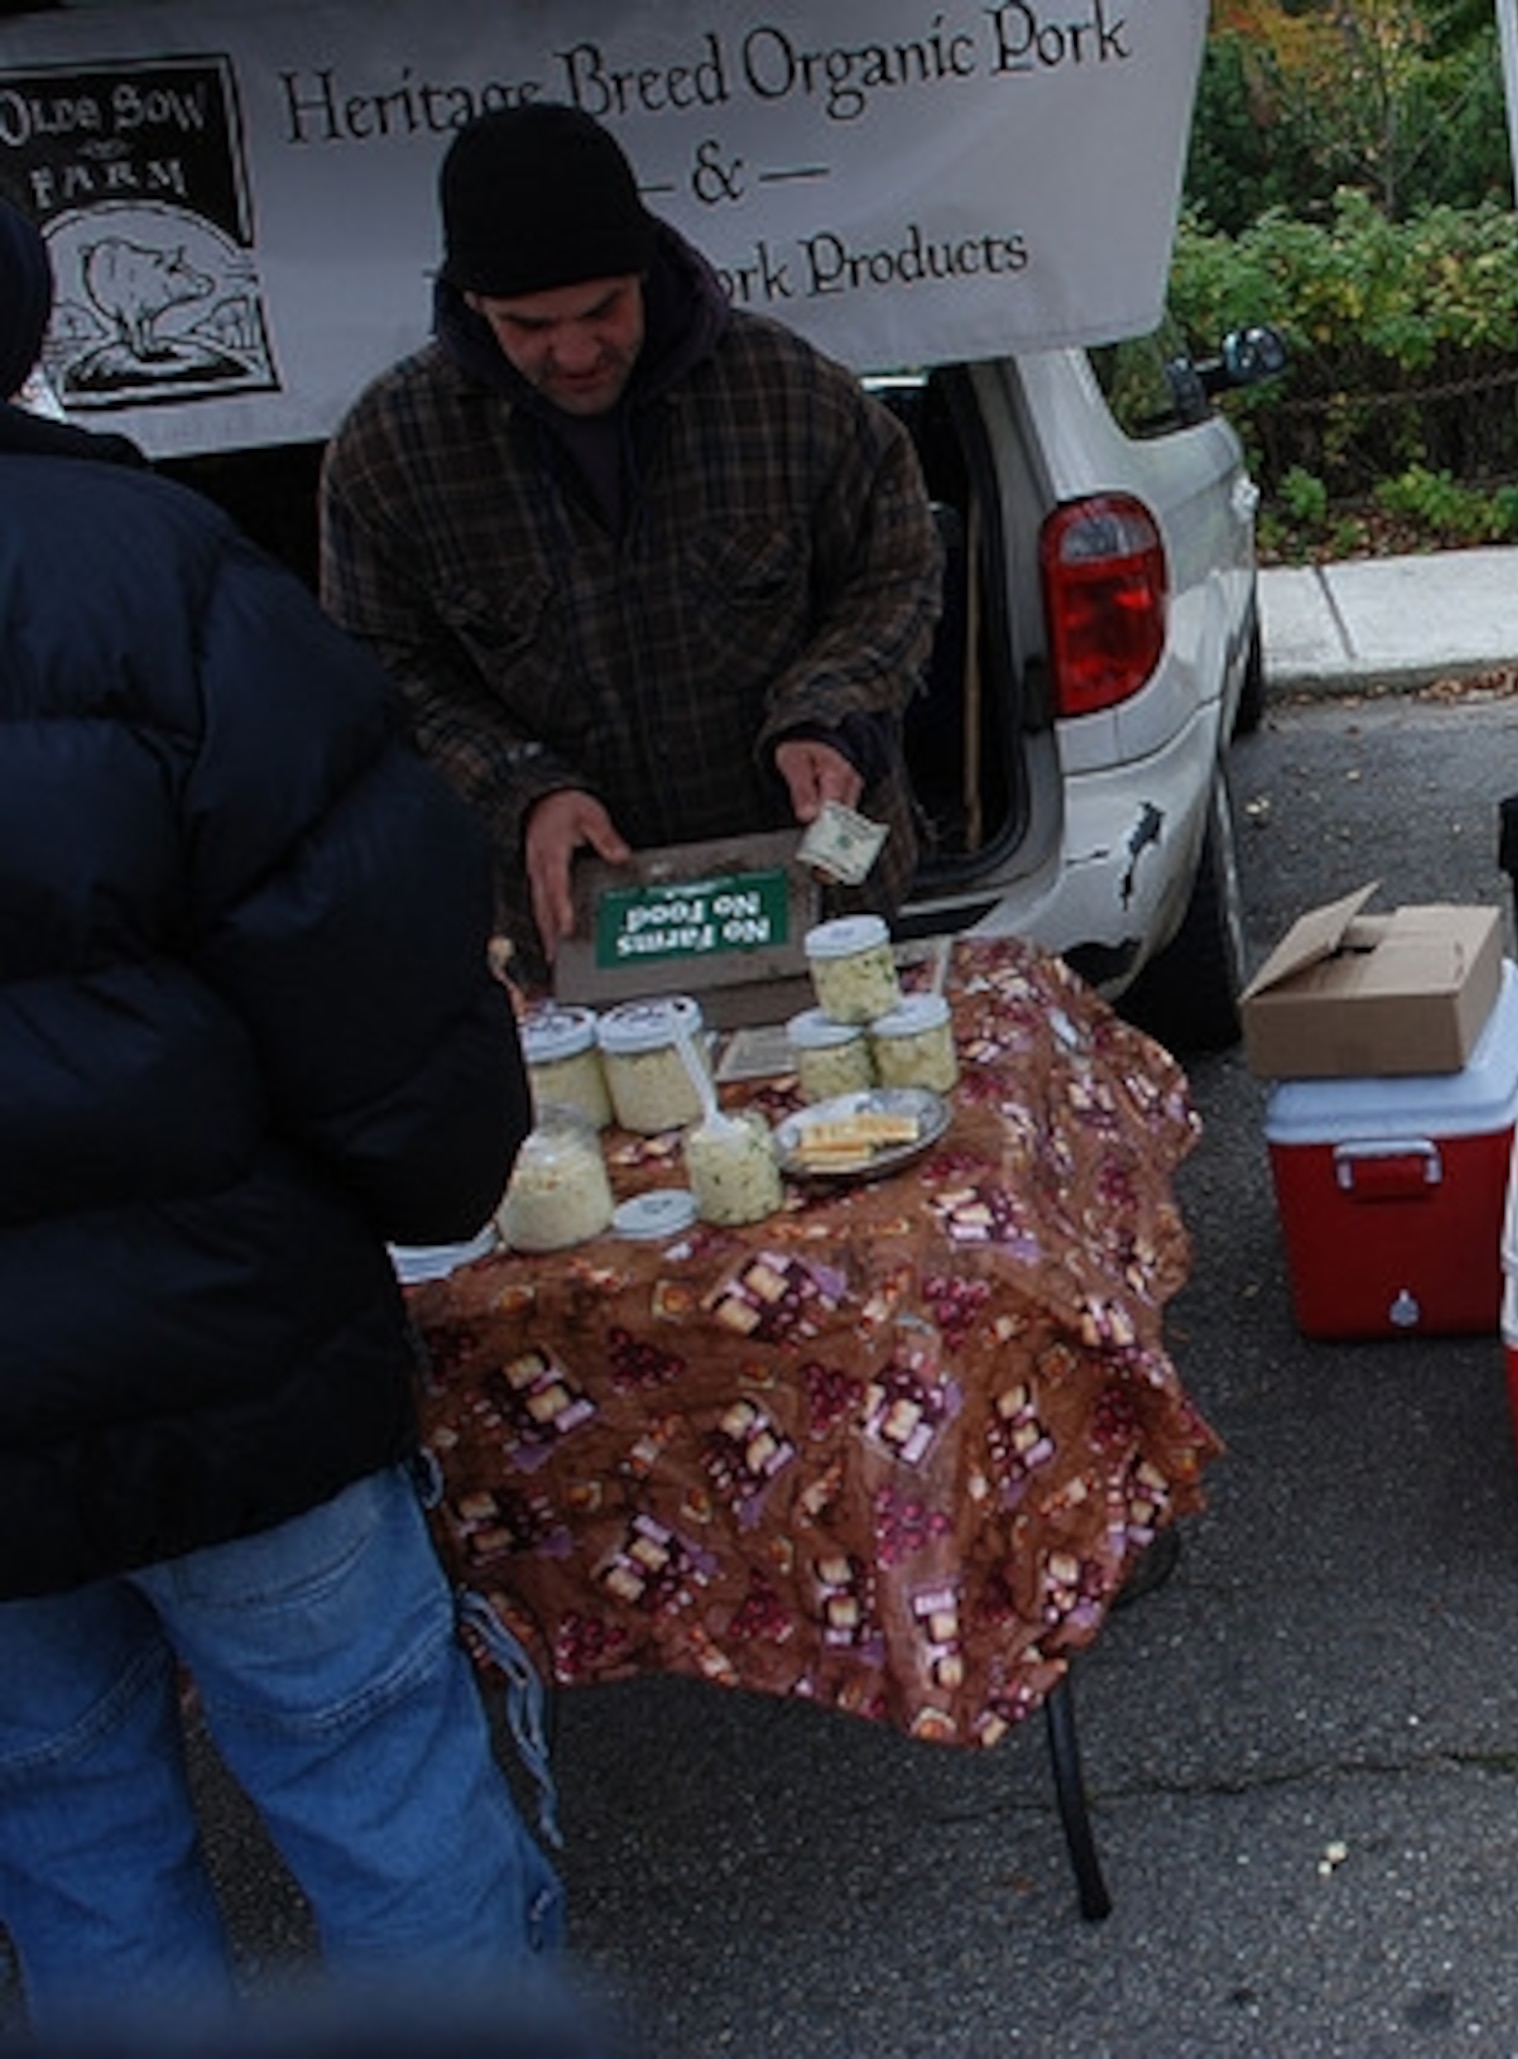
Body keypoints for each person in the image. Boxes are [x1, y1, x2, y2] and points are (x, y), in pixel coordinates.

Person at [0, 201, 564, 2033]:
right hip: (226, 1346)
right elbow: (364, 964)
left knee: (69, 1835)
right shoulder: (150, 571)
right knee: (379, 1785)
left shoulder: (147, 571)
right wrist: (443, 1167)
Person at [319, 102, 941, 980]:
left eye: (603, 309)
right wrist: (521, 786)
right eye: (529, 326)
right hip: (575, 929)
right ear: (471, 302)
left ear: (647, 267)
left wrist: (829, 712)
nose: (574, 352)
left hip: (811, 897)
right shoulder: (390, 450)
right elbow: (381, 670)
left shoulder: (790, 393)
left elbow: (896, 569)